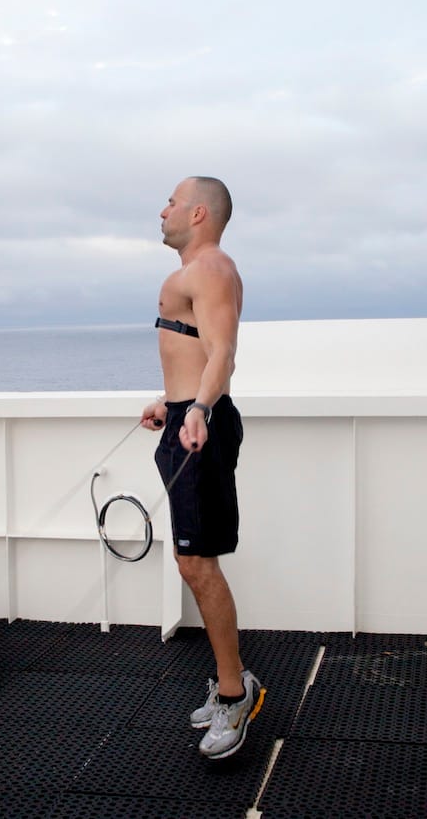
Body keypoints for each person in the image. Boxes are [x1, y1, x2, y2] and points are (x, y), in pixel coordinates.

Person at [140, 176, 264, 760]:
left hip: (199, 427)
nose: (160, 210)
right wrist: (171, 402)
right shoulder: (196, 272)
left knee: (197, 563)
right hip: (186, 417)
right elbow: (194, 350)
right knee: (191, 562)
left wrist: (201, 411)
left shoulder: (210, 268)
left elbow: (222, 351)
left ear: (196, 213)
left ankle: (236, 694)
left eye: (169, 201)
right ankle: (232, 684)